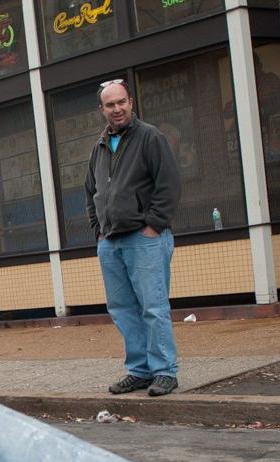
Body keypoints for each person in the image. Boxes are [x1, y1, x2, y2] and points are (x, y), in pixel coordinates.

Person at [85, 79, 182, 397]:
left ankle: (165, 371)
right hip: (110, 243)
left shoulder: (150, 137)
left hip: (145, 239)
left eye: (121, 102)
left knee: (153, 307)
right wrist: (98, 231)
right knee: (122, 309)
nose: (117, 109)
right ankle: (140, 371)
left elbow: (168, 183)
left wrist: (153, 224)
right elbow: (92, 191)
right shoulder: (99, 147)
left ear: (131, 102)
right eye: (110, 105)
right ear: (102, 110)